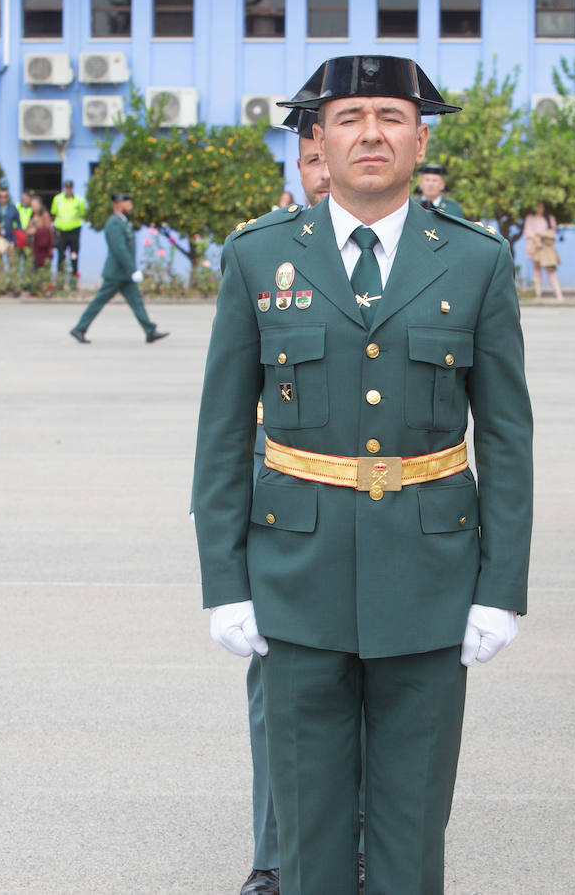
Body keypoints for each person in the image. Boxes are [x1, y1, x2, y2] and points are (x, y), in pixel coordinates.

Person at [192, 55, 533, 895]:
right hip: (294, 574)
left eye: (390, 116)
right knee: (306, 827)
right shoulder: (257, 258)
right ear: (318, 138)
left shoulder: (475, 260)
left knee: (412, 822)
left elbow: (508, 437)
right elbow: (222, 434)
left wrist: (501, 587)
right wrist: (224, 582)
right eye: (348, 118)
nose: (371, 133)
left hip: (430, 575)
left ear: (421, 138)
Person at [235, 103, 340, 895]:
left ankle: (361, 847)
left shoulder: (423, 252)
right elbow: (228, 415)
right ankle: (277, 856)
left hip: (386, 516)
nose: (326, 171)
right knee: (280, 701)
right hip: (288, 516)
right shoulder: (262, 257)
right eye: (310, 159)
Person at [69, 192, 168, 344]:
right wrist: (132, 269)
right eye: (128, 204)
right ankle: (80, 328)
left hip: (124, 274)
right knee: (99, 302)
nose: (131, 207)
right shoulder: (115, 223)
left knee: (136, 302)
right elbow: (119, 249)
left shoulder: (122, 222)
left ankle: (150, 331)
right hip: (116, 273)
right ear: (118, 205)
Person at [523, 202, 563, 300]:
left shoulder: (550, 218)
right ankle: (537, 294)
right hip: (535, 247)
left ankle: (559, 295)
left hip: (546, 248)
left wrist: (540, 235)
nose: (539, 208)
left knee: (550, 271)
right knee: (536, 270)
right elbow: (528, 232)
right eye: (537, 206)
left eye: (541, 206)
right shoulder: (530, 218)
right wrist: (536, 239)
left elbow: (552, 233)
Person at [51, 179, 87, 284]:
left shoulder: (79, 200)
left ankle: (73, 281)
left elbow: (82, 214)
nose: (68, 190)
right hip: (61, 232)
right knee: (61, 256)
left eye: (70, 188)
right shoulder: (58, 199)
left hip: (74, 232)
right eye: (66, 188)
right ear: (64, 188)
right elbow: (53, 214)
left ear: (72, 188)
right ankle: (60, 282)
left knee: (74, 255)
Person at [28, 199, 54, 272]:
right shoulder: (32, 216)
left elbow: (48, 231)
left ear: (39, 205)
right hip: (33, 247)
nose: (32, 207)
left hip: (42, 247)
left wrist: (36, 231)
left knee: (43, 267)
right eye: (31, 205)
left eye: (34, 205)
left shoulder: (45, 215)